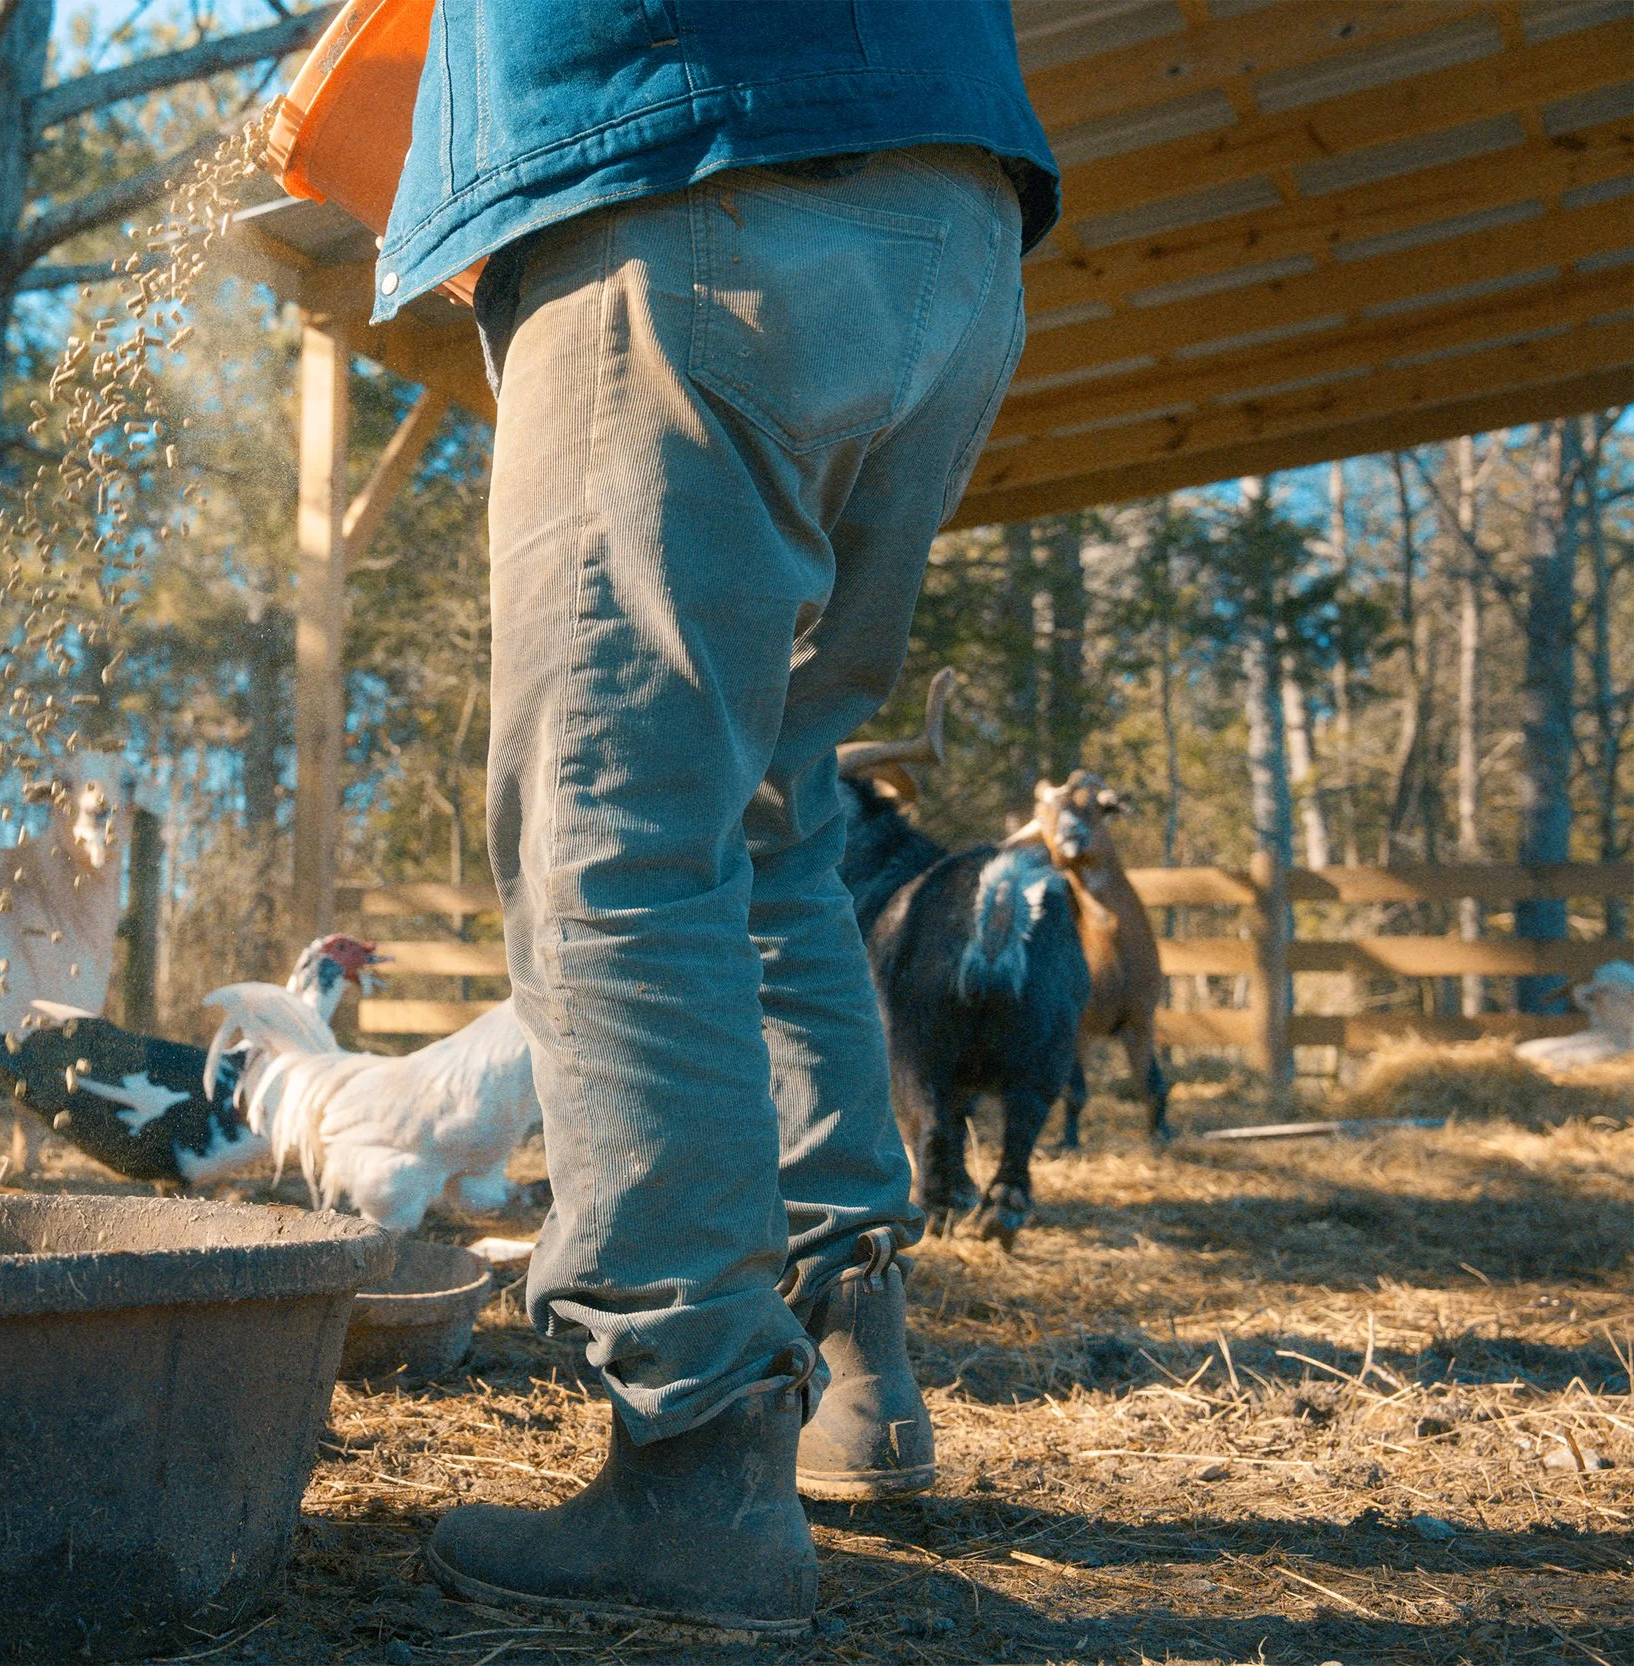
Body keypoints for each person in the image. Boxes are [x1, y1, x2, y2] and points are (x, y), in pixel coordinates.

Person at [367, 1, 1059, 1635]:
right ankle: (849, 1363)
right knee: (762, 815)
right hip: (949, 219)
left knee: (610, 830)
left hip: (689, 186)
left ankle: (694, 1459)